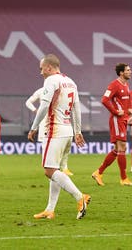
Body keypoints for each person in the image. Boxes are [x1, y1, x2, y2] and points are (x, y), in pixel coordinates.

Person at [28, 54, 91, 220]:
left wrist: (34, 127)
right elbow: (77, 109)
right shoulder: (71, 82)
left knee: (49, 171)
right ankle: (50, 209)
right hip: (67, 130)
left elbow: (44, 106)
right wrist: (77, 131)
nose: (41, 72)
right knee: (54, 169)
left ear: (49, 67)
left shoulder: (51, 80)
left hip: (54, 130)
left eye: (42, 69)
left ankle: (80, 197)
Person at [92, 63, 132, 187]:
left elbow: (125, 103)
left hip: (123, 119)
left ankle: (98, 172)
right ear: (121, 73)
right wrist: (116, 112)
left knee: (118, 149)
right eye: (128, 70)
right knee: (121, 148)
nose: (130, 71)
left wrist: (129, 112)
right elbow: (104, 100)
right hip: (117, 120)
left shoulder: (126, 85)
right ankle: (123, 178)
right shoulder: (114, 85)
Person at [26, 87, 73, 176]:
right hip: (45, 122)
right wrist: (35, 110)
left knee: (62, 147)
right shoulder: (41, 91)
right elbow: (28, 102)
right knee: (45, 144)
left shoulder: (60, 91)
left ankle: (64, 168)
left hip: (57, 121)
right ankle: (48, 167)